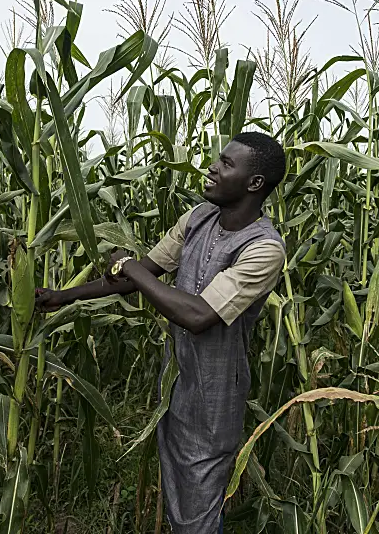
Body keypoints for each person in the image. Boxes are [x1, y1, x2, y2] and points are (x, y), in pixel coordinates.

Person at [35, 131, 287, 533]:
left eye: (226, 163)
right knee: (179, 494)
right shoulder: (197, 218)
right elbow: (142, 275)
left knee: (199, 508)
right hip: (175, 383)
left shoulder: (263, 249)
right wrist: (62, 297)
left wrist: (130, 267)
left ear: (254, 183)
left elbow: (198, 314)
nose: (212, 167)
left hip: (214, 395)